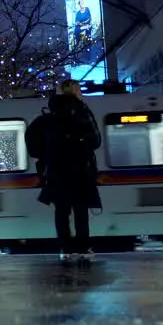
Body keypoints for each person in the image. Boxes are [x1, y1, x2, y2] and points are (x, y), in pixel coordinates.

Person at [38, 80, 102, 262]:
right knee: (80, 211)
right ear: (76, 91)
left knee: (61, 212)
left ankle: (65, 249)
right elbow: (96, 140)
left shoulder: (52, 112)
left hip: (57, 172)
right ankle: (83, 248)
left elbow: (41, 143)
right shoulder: (82, 110)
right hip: (80, 170)